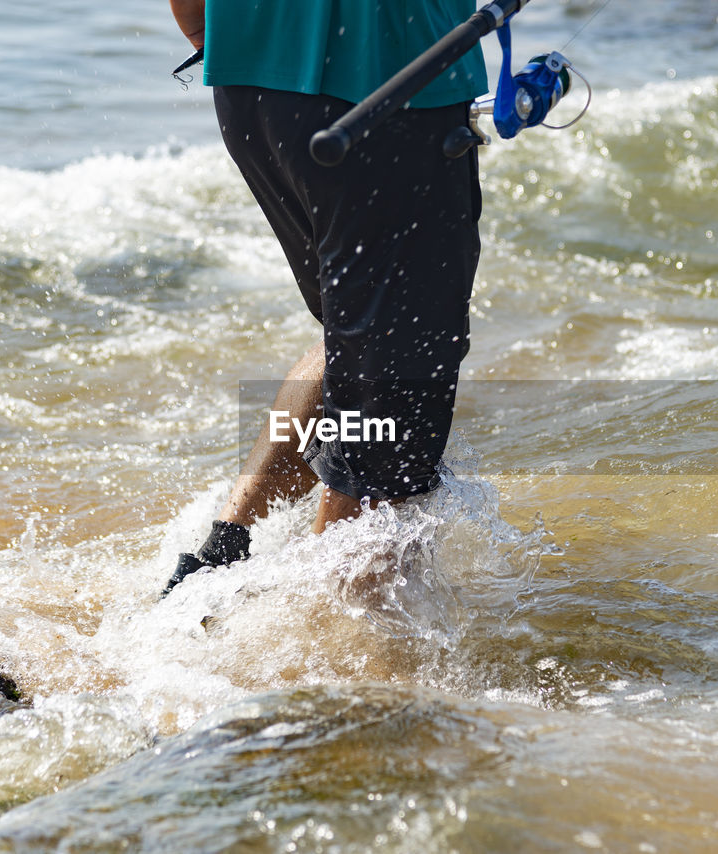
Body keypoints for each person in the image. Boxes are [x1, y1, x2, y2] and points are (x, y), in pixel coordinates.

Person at [162, 0, 488, 596]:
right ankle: (334, 651)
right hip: (384, 95)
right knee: (395, 390)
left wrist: (222, 37)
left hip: (250, 84)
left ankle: (222, 557)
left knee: (359, 343)